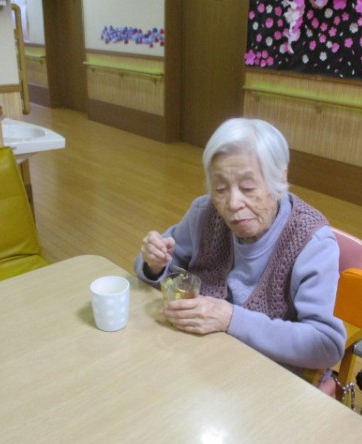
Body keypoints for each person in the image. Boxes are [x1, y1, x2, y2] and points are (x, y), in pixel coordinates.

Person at [134, 117, 346, 391]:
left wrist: (230, 318)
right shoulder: (204, 213)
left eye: (247, 188)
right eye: (220, 189)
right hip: (201, 362)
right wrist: (154, 264)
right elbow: (165, 268)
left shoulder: (312, 242)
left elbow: (326, 344)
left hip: (269, 380)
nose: (233, 203)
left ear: (280, 178)